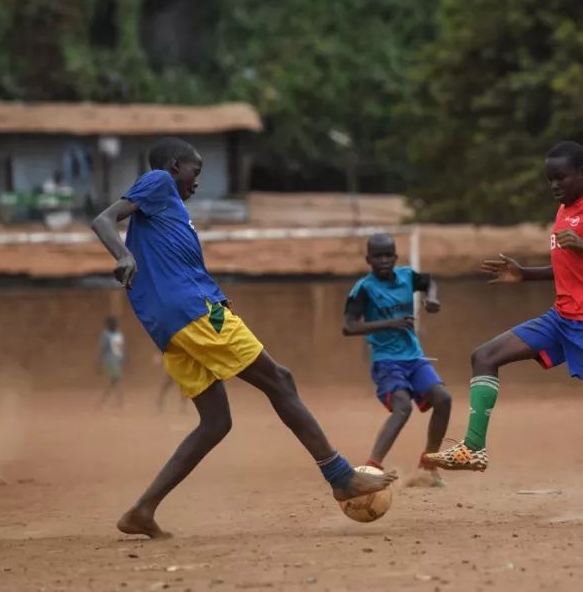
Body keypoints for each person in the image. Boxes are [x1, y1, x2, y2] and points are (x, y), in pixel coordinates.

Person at [91, 137, 395, 538]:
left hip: (171, 322)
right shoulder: (159, 182)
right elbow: (104, 219)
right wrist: (122, 255)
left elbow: (165, 255)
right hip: (192, 310)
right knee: (280, 380)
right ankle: (340, 476)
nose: (196, 182)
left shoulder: (170, 209)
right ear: (173, 165)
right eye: (195, 172)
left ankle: (142, 510)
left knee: (216, 422)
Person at [423, 141, 583, 523]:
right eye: (550, 179)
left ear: (582, 172)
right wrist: (526, 273)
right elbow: (570, 266)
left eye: (561, 177)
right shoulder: (564, 210)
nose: (555, 185)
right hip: (563, 315)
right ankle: (474, 447)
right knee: (485, 356)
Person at [343, 234, 451, 487]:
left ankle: (429, 466)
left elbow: (429, 282)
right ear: (368, 259)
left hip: (414, 357)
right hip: (386, 361)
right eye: (377, 256)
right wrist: (390, 324)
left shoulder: (406, 276)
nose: (383, 260)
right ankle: (371, 468)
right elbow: (348, 327)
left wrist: (432, 298)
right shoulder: (364, 289)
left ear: (395, 257)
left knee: (443, 399)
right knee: (402, 407)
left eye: (387, 255)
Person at [98, 315, 126, 408]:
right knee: (115, 381)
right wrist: (99, 363)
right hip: (110, 361)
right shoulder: (106, 335)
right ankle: (118, 402)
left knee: (113, 382)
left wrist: (124, 359)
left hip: (117, 362)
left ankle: (105, 401)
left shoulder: (118, 334)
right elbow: (102, 349)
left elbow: (121, 348)